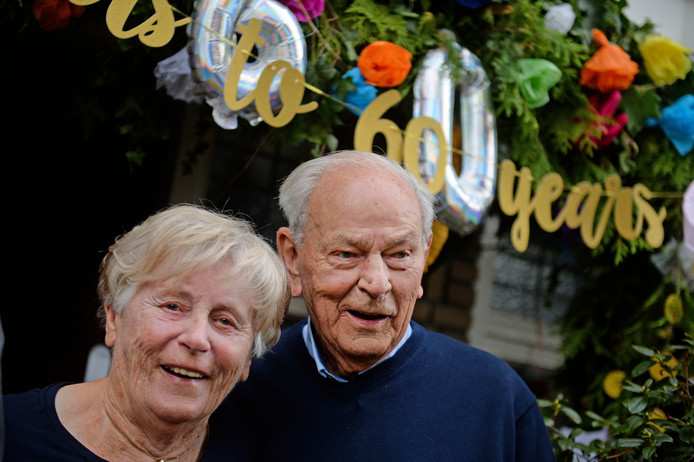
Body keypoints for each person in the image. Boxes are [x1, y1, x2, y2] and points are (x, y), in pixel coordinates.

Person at [215, 150, 555, 461]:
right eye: (347, 254)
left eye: (399, 255)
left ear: (423, 257)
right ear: (293, 258)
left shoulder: (495, 399)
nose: (377, 283)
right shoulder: (240, 383)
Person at [3, 204, 290, 461]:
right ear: (114, 318)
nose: (197, 338)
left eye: (225, 321)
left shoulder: (261, 453)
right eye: (173, 306)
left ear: (249, 358)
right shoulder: (11, 433)